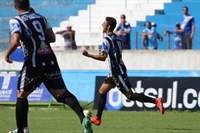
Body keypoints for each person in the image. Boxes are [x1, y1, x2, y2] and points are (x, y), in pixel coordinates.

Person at [5, 0, 93, 133]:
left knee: (21, 94)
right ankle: (82, 118)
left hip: (33, 62)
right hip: (50, 60)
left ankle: (22, 130)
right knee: (62, 93)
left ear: (15, 6)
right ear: (29, 4)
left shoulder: (15, 20)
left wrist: (7, 55)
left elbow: (15, 40)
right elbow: (52, 38)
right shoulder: (41, 17)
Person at [82, 16, 164, 126]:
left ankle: (156, 101)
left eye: (104, 23)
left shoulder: (106, 40)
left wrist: (88, 55)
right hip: (115, 71)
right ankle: (97, 118)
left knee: (130, 95)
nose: (102, 24)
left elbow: (103, 58)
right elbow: (113, 53)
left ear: (108, 26)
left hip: (117, 73)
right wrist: (104, 53)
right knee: (102, 91)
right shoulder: (118, 38)